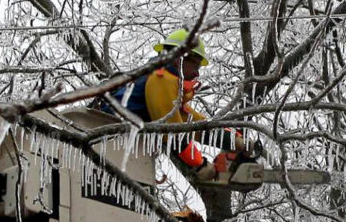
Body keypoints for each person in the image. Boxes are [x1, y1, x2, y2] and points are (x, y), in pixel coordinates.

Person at [101, 28, 243, 180]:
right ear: (178, 58)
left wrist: (234, 139)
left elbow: (194, 124)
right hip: (108, 139)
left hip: (118, 145)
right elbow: (173, 132)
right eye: (195, 66)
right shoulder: (161, 78)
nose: (197, 74)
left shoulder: (163, 79)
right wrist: (200, 164)